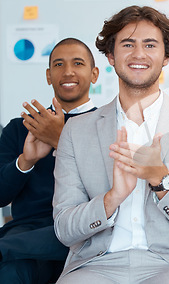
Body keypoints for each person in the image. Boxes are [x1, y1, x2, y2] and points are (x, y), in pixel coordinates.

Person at [52, 6, 169, 284]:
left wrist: (161, 180)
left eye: (150, 45)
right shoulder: (76, 131)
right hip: (97, 265)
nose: (139, 54)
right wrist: (112, 198)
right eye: (128, 44)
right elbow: (64, 229)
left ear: (166, 56)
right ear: (110, 55)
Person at [0, 38, 99, 283]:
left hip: (87, 229)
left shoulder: (110, 125)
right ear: (48, 75)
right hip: (29, 232)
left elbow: (109, 189)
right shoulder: (21, 128)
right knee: (12, 271)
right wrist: (25, 161)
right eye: (58, 64)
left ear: (94, 74)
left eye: (78, 63)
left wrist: (60, 141)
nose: (68, 72)